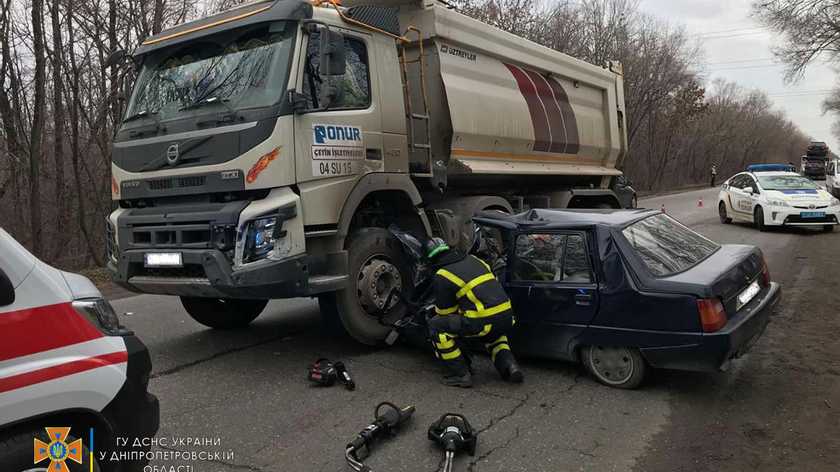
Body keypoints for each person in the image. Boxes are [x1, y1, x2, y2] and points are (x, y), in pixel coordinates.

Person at [424, 237, 523, 388]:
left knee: (437, 327)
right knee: (495, 337)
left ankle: (460, 374)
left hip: (483, 320)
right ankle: (510, 367)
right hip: (507, 315)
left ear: (432, 258)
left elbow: (445, 313)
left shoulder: (443, 274)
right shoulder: (475, 260)